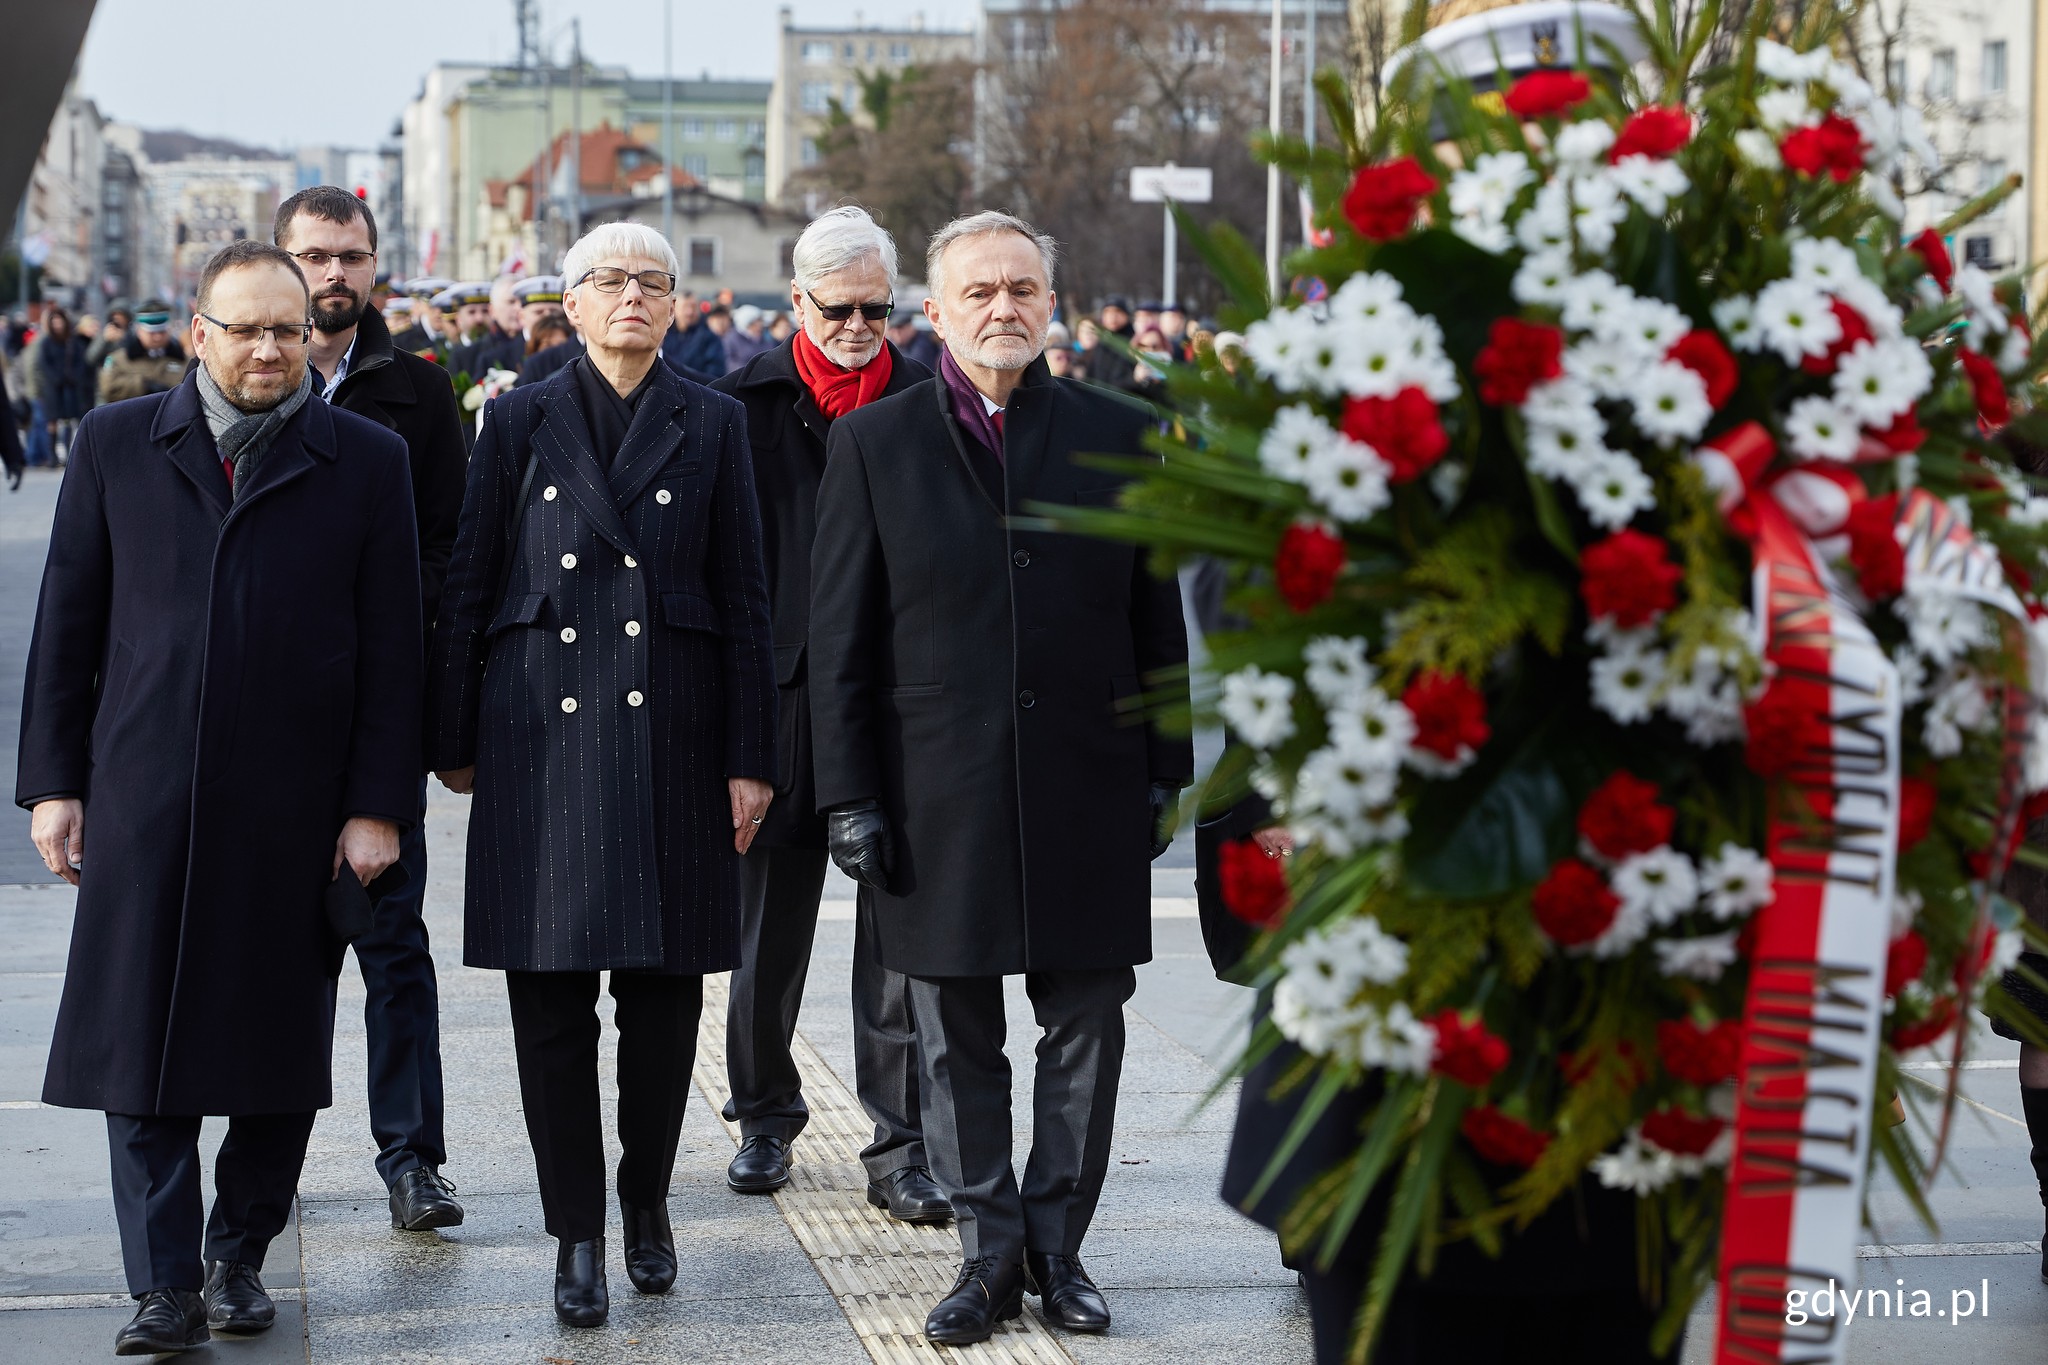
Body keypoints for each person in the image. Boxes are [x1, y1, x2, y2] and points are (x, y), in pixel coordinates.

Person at [16, 239, 422, 1357]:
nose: (264, 349)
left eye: (284, 331)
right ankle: (163, 1285)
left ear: (311, 337)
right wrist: (55, 784)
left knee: (277, 1047)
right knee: (135, 1049)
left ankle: (237, 1256)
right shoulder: (115, 445)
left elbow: (396, 648)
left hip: (295, 809)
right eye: (241, 329)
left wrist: (377, 805)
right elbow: (69, 627)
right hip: (141, 797)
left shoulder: (366, 458)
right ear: (196, 334)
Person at [810, 211, 1192, 1346]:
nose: (1001, 308)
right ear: (934, 312)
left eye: (1022, 287)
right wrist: (849, 794)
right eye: (977, 292)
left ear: (1050, 302)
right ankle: (985, 1259)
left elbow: (1152, 613)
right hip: (938, 793)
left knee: (1088, 1022)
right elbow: (839, 638)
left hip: (1087, 778)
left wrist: (1165, 766)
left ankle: (1057, 1249)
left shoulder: (1118, 432)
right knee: (954, 1036)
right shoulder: (874, 444)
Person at [428, 221, 776, 1330]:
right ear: (566, 305)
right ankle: (575, 1231)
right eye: (607, 281)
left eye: (652, 282)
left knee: (666, 1004)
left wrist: (751, 759)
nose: (631, 296)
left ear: (677, 306)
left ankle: (644, 1207)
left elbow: (749, 604)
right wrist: (451, 735)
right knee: (549, 1008)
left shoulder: (712, 422)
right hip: (539, 728)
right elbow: (471, 580)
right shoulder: (517, 417)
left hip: (675, 729)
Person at [709, 205, 944, 1219]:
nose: (857, 327)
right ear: (794, 302)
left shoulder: (932, 401)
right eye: (838, 308)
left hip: (898, 702)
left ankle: (899, 1145)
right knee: (765, 934)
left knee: (898, 933)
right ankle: (764, 1113)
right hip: (779, 699)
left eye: (875, 308)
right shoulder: (735, 408)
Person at [274, 185, 471, 1234]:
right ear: (282, 259)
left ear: (374, 265)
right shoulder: (233, 376)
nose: (334, 275)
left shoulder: (416, 393)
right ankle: (270, 1161)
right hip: (262, 731)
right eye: (315, 255)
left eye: (351, 256)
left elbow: (454, 545)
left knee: (393, 949)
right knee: (271, 958)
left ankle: (413, 1161)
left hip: (376, 720)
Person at [22, 307, 89, 465]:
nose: (58, 324)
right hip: (52, 388)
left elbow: (81, 362)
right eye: (55, 321)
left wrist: (72, 377)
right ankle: (52, 455)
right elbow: (42, 364)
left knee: (68, 421)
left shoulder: (72, 342)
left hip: (70, 387)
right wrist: (54, 378)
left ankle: (67, 454)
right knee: (52, 422)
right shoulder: (46, 343)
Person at [98, 299, 188, 405]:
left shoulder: (183, 360)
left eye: (162, 332)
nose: (157, 337)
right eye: (152, 332)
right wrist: (143, 385)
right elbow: (108, 389)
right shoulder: (119, 359)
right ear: (139, 330)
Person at [664, 289, 726, 377]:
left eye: (693, 307)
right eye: (685, 307)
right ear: (674, 309)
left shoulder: (709, 338)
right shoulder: (663, 334)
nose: (690, 312)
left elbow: (715, 374)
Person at [723, 303, 771, 373]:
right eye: (757, 321)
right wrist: (750, 371)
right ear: (748, 323)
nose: (761, 324)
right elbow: (729, 362)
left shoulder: (764, 339)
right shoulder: (731, 338)